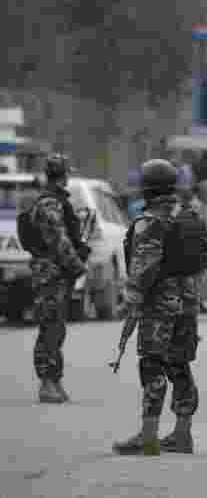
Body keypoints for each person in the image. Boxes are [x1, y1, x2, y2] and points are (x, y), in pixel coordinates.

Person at [113, 159, 207, 456]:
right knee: (180, 365)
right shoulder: (190, 218)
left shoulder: (149, 223)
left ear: (146, 190)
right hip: (187, 303)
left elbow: (144, 269)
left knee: (152, 365)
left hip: (159, 306)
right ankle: (182, 435)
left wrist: (131, 302)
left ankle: (148, 437)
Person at [22, 154, 87, 404]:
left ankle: (54, 380)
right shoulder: (50, 202)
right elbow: (58, 240)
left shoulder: (54, 200)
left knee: (56, 327)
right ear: (63, 175)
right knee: (50, 326)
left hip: (55, 272)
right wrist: (77, 265)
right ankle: (47, 382)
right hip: (51, 272)